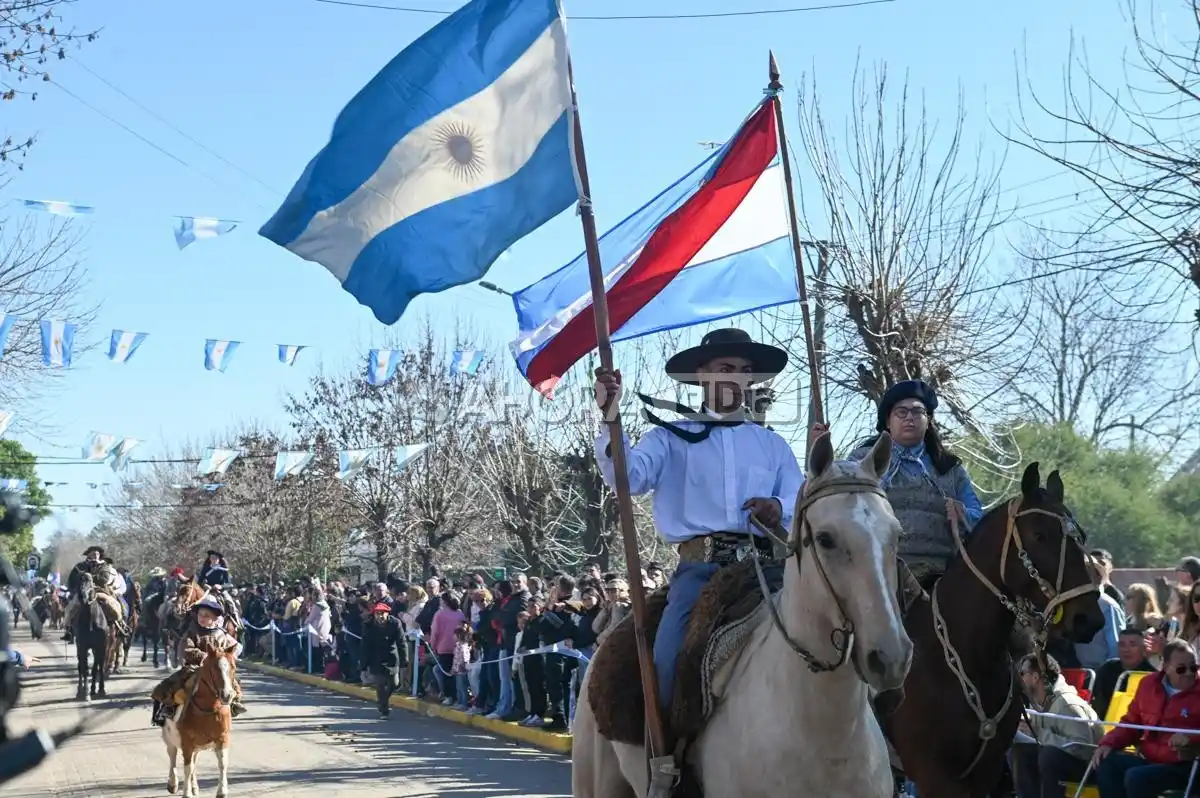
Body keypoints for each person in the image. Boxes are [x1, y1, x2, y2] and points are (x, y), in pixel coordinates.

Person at [592, 328, 806, 713]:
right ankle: (667, 739)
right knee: (669, 655)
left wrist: (778, 506)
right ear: (702, 375)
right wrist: (611, 419)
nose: (737, 379)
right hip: (699, 573)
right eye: (726, 369)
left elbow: (800, 497)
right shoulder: (668, 438)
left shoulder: (772, 445)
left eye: (744, 371)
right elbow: (627, 478)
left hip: (767, 571)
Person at [844, 379, 984, 592]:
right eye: (901, 412)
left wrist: (962, 513)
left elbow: (979, 517)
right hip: (875, 573)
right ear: (888, 421)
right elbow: (839, 505)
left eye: (918, 412)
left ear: (928, 421)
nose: (910, 417)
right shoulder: (862, 461)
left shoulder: (949, 468)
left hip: (941, 577)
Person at [1092, 638, 1200, 796]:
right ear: (1166, 667)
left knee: (1136, 777)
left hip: (1187, 764)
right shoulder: (1148, 684)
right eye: (1181, 669)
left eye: (1194, 667)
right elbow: (1131, 723)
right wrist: (1108, 743)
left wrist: (1191, 737)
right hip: (1150, 758)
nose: (1189, 673)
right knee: (1106, 762)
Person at [1011, 653, 1101, 798]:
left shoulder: (1067, 704)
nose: (1018, 678)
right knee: (1019, 749)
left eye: (1022, 673)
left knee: (1049, 756)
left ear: (1035, 677)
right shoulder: (1037, 702)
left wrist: (1038, 733)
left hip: (1089, 767)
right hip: (1061, 762)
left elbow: (1083, 748)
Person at [150, 595, 246, 725]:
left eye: (206, 615)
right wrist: (203, 656)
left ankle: (235, 703)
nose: (202, 618)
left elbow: (230, 651)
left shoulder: (221, 635)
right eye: (200, 615)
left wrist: (228, 658)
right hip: (195, 667)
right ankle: (168, 707)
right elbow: (186, 649)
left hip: (216, 669)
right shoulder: (192, 632)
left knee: (233, 683)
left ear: (215, 618)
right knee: (172, 684)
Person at [1092, 628, 1157, 719]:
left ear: (1143, 648)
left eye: (1132, 645)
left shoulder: (1151, 675)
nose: (1126, 650)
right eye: (1122, 645)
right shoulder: (1106, 668)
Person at [360, 601, 403, 719]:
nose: (380, 616)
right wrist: (363, 666)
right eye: (377, 613)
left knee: (395, 683)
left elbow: (401, 642)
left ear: (387, 614)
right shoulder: (368, 625)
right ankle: (384, 709)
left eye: (383, 613)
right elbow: (365, 646)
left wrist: (404, 661)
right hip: (375, 657)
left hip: (391, 656)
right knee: (380, 683)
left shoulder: (395, 623)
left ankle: (382, 701)